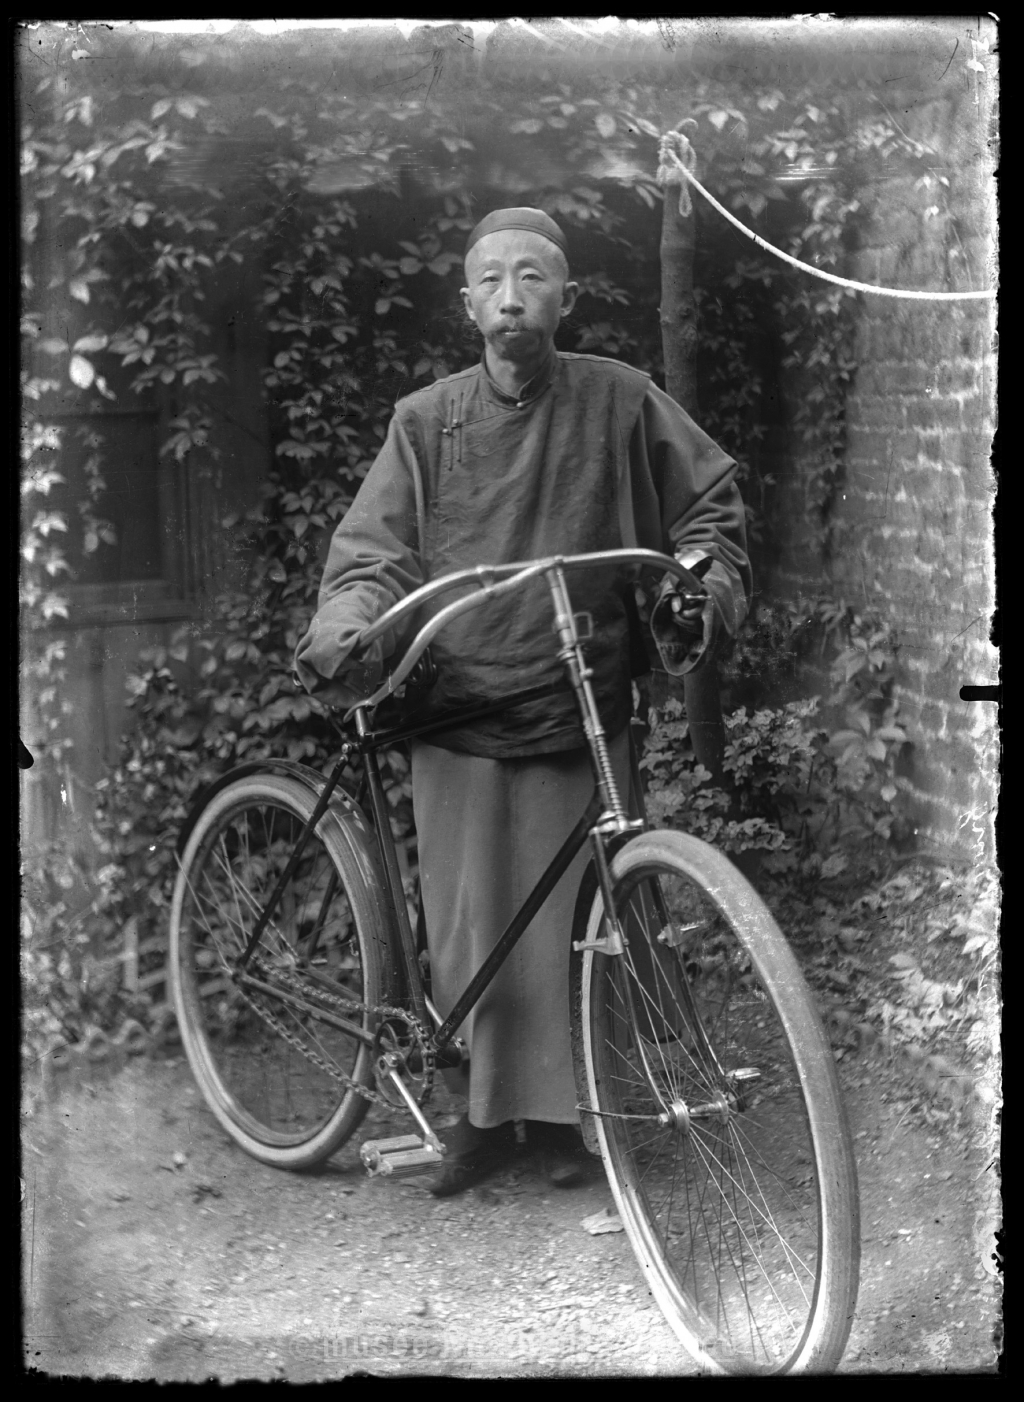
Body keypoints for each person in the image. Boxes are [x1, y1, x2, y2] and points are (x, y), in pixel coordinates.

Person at [294, 207, 750, 1195]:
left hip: (579, 700)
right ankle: (481, 1117)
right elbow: (373, 553)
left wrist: (696, 584)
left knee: (583, 928)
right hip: (458, 708)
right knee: (471, 928)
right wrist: (350, 620)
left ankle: (579, 1116)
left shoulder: (620, 399)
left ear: (565, 298)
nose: (512, 296)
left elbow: (708, 511)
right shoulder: (424, 422)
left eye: (533, 277)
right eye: (493, 280)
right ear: (468, 304)